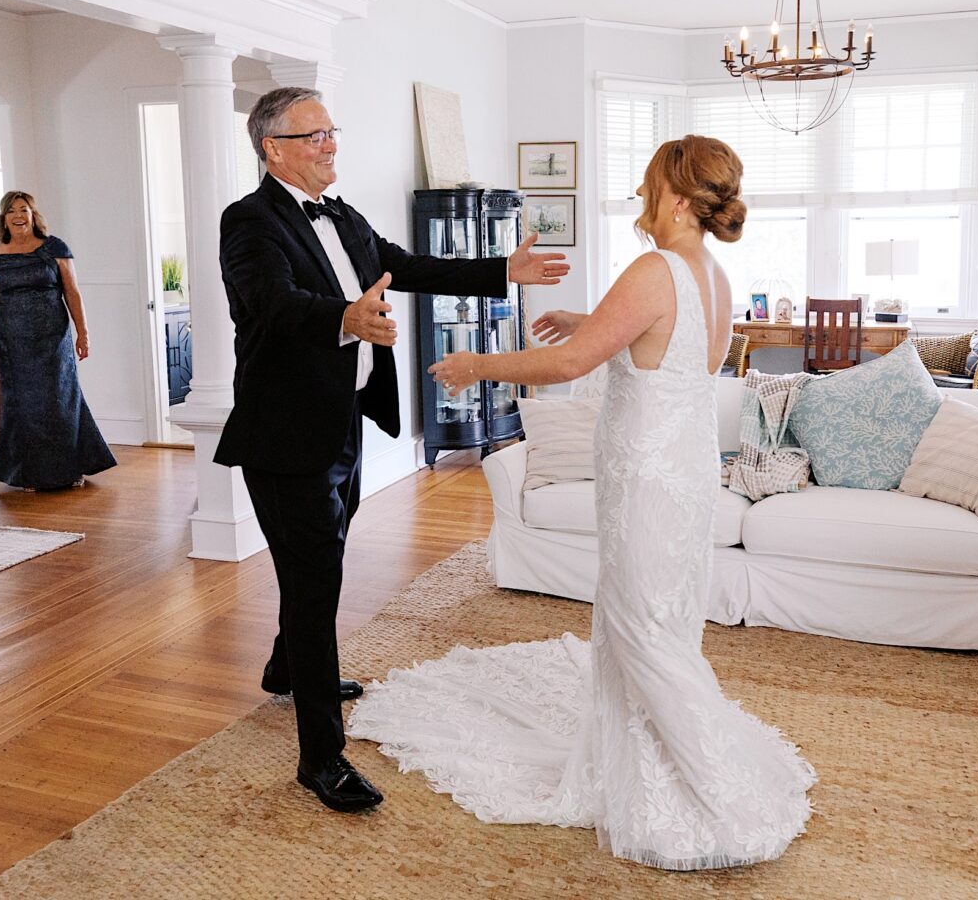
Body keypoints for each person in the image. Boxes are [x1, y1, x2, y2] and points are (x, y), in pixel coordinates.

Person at [348, 135, 816, 870]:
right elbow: (650, 343)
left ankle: (716, 792)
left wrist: (477, 364)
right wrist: (587, 323)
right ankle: (637, 760)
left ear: (680, 197)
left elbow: (571, 364)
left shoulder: (656, 267)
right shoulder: (709, 273)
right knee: (657, 618)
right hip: (683, 475)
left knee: (642, 627)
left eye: (652, 181)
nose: (640, 190)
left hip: (649, 482)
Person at [214, 86, 570, 814]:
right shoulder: (248, 222)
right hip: (283, 433)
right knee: (314, 582)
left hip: (340, 420)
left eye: (331, 133)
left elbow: (409, 267)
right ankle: (322, 760)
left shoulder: (341, 215)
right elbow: (269, 305)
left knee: (322, 560)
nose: (330, 145)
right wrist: (344, 316)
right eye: (314, 137)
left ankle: (287, 667)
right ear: (272, 148)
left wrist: (503, 270)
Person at [0, 191, 117, 492]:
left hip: (53, 341)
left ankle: (69, 469)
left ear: (33, 214)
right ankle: (29, 474)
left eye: (23, 210)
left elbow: (72, 292)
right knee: (22, 408)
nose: (18, 216)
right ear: (4, 218)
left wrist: (84, 333)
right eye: (11, 211)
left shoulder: (54, 248)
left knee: (58, 403)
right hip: (13, 344)